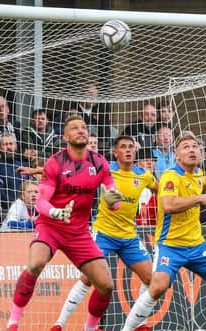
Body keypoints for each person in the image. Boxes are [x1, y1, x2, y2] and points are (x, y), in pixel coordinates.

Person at [121, 132, 206, 331]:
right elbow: (169, 204)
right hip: (170, 246)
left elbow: (205, 182)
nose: (192, 150)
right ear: (176, 155)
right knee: (157, 287)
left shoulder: (196, 174)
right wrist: (198, 199)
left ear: (201, 152)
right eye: (186, 147)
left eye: (195, 147)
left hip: (197, 246)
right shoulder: (170, 176)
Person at [5, 115, 124, 331]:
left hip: (79, 232)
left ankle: (90, 328)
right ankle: (13, 322)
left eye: (84, 127)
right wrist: (55, 213)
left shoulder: (99, 162)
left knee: (106, 286)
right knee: (35, 264)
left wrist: (112, 202)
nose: (81, 130)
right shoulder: (55, 162)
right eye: (75, 128)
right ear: (65, 136)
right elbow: (41, 201)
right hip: (50, 226)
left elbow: (112, 198)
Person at [50, 135, 156, 331]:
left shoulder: (144, 175)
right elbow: (69, 174)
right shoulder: (104, 169)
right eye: (123, 147)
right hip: (103, 234)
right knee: (89, 278)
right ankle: (59, 323)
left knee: (152, 279)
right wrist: (40, 171)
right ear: (115, 153)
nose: (128, 150)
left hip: (129, 237)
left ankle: (140, 324)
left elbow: (164, 192)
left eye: (131, 147)